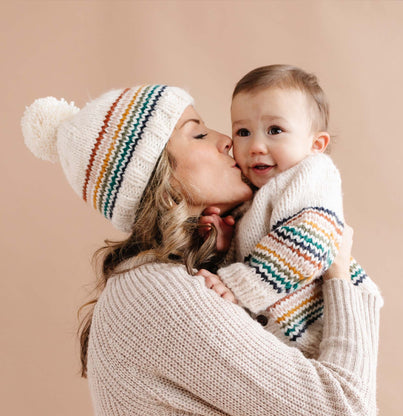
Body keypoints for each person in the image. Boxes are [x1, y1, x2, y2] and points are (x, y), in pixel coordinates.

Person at [22, 83, 382, 415]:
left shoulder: (166, 283)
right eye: (198, 133)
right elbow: (345, 408)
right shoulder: (156, 294)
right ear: (159, 180)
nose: (228, 140)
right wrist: (340, 274)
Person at [201, 65, 382, 359]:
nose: (256, 146)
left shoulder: (313, 174)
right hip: (281, 335)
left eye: (275, 130)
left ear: (316, 145)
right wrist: (226, 242)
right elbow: (257, 247)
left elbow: (308, 242)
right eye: (243, 132)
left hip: (316, 328)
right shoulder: (255, 189)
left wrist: (235, 286)